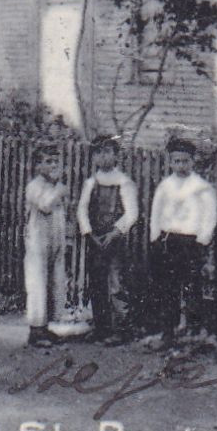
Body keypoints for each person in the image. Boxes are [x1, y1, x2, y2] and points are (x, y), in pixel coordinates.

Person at [147, 137, 217, 350]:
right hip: (168, 240)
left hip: (191, 243)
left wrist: (202, 241)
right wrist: (155, 237)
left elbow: (210, 216)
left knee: (192, 288)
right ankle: (167, 334)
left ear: (193, 161)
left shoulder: (201, 187)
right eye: (176, 161)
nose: (181, 165)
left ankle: (194, 335)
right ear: (170, 162)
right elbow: (156, 212)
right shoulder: (165, 186)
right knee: (167, 289)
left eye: (185, 161)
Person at [76, 134, 138, 345]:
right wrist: (89, 232)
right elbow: (82, 209)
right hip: (95, 239)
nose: (103, 158)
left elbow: (131, 213)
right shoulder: (91, 183)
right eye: (98, 153)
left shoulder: (124, 182)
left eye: (107, 152)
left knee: (115, 283)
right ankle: (101, 327)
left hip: (115, 240)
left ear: (116, 155)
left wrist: (115, 232)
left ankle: (121, 329)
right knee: (96, 282)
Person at [22, 150, 69, 347]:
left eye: (56, 162)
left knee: (54, 281)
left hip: (54, 240)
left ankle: (46, 326)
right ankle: (35, 330)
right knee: (38, 283)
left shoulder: (53, 186)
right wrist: (59, 188)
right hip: (38, 242)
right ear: (38, 166)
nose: (53, 166)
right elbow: (45, 205)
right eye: (48, 161)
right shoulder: (34, 187)